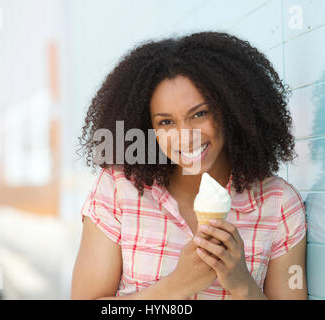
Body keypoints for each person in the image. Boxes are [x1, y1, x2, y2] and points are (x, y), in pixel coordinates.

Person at [71, 31, 307, 300]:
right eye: (166, 122)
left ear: (232, 110)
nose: (185, 135)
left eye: (199, 114)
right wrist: (177, 286)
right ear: (149, 128)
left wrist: (242, 285)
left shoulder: (278, 204)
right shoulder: (118, 189)